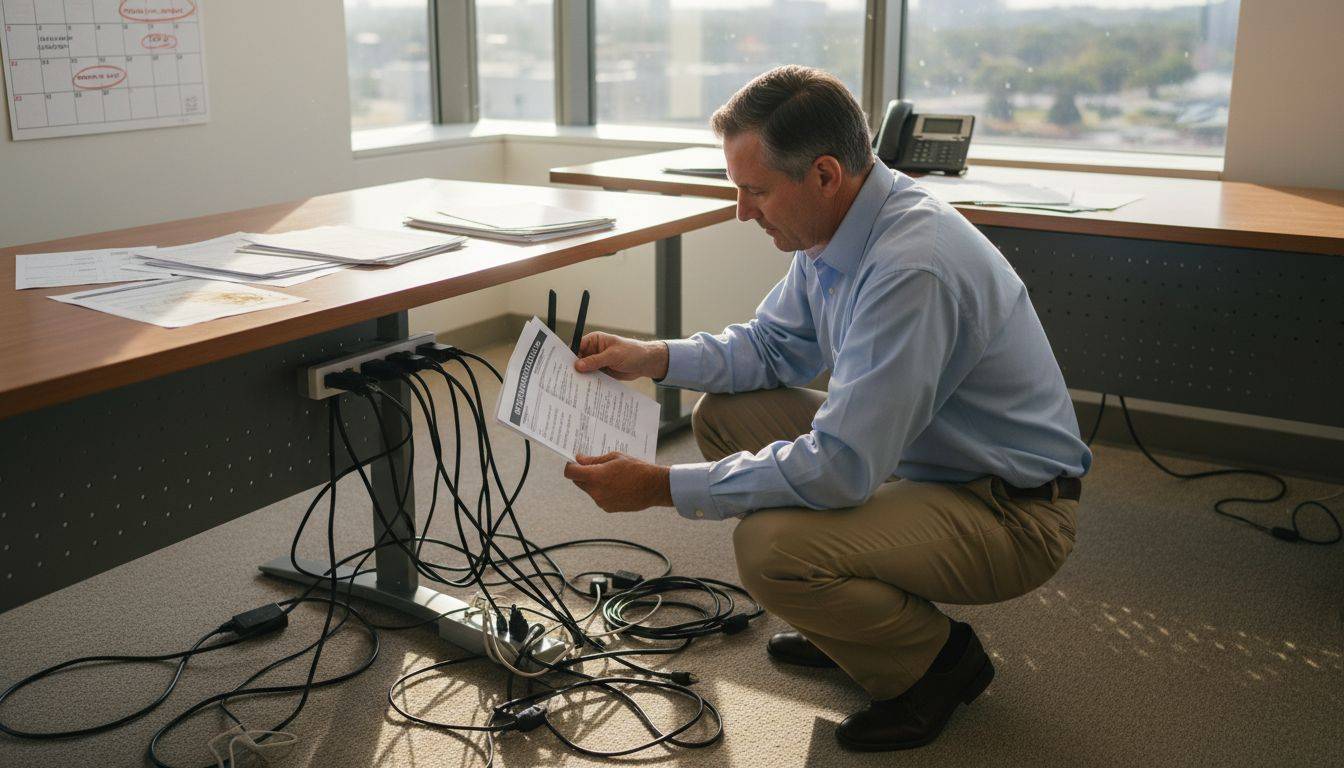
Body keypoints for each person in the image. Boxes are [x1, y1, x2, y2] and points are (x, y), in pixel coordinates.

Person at [563, 64, 1091, 752]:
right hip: (922, 462)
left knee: (769, 550)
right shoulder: (837, 228)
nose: (742, 212)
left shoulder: (910, 266)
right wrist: (653, 357)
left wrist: (660, 487)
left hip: (1011, 512)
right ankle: (860, 618)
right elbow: (773, 347)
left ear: (823, 174)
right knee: (723, 416)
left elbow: (841, 467)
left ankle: (936, 662)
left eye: (755, 191)